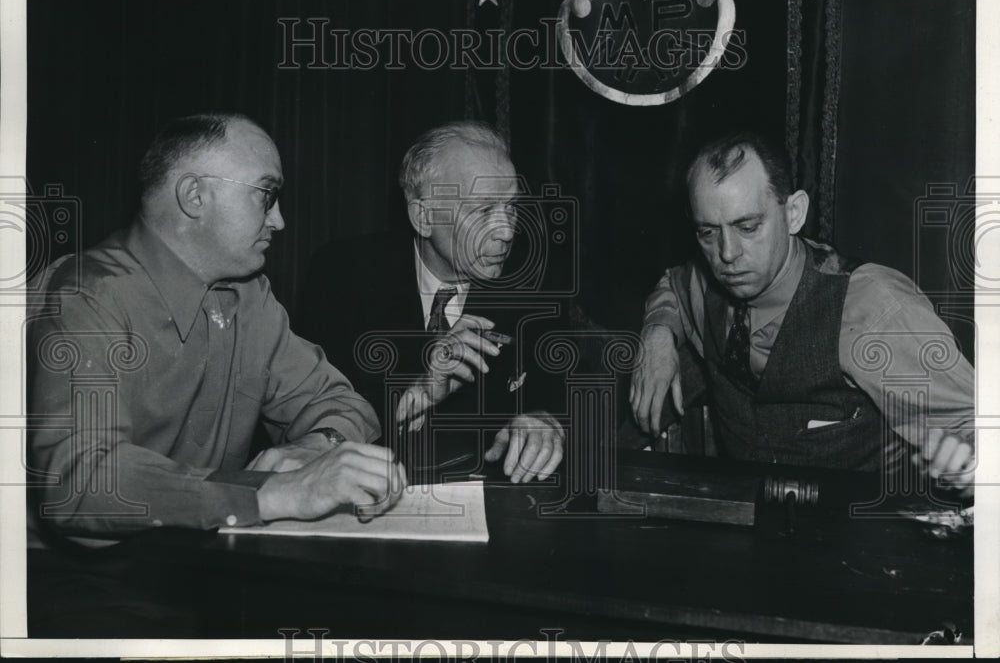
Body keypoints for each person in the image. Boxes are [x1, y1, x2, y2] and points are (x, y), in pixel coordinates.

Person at [28, 113, 407, 545]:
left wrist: (315, 448)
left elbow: (343, 404)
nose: (279, 220)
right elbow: (82, 485)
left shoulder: (248, 297)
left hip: (190, 564)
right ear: (194, 196)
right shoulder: (87, 294)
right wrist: (274, 492)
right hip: (67, 580)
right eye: (266, 194)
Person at [629, 132, 974, 491]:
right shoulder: (706, 282)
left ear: (793, 214)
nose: (727, 253)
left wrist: (969, 467)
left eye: (747, 227)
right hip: (746, 527)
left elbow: (975, 425)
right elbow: (674, 284)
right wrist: (658, 331)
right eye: (708, 233)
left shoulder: (871, 307)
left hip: (857, 536)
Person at [301, 121, 565, 484]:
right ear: (423, 216)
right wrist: (419, 389)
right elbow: (314, 411)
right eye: (483, 211)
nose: (507, 231)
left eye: (511, 207)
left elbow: (572, 381)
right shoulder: (343, 273)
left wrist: (549, 420)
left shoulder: (533, 283)